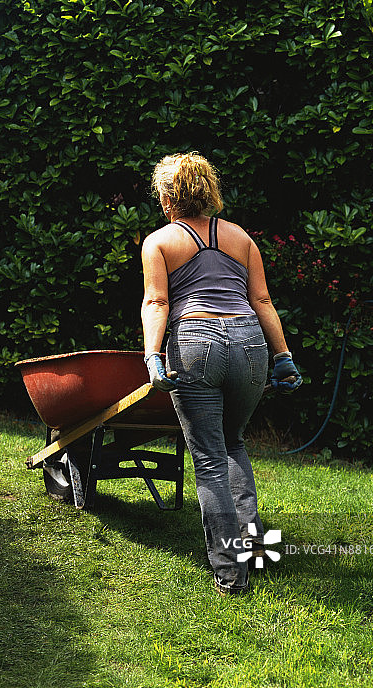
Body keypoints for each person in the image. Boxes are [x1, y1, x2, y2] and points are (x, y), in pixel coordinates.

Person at [140, 151, 302, 597]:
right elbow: (263, 302)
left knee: (209, 460)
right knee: (234, 444)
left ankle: (231, 576)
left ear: (168, 196)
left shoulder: (159, 242)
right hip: (251, 345)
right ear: (209, 191)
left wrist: (153, 356)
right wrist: (283, 355)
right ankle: (253, 555)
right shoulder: (241, 238)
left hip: (196, 344)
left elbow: (157, 303)